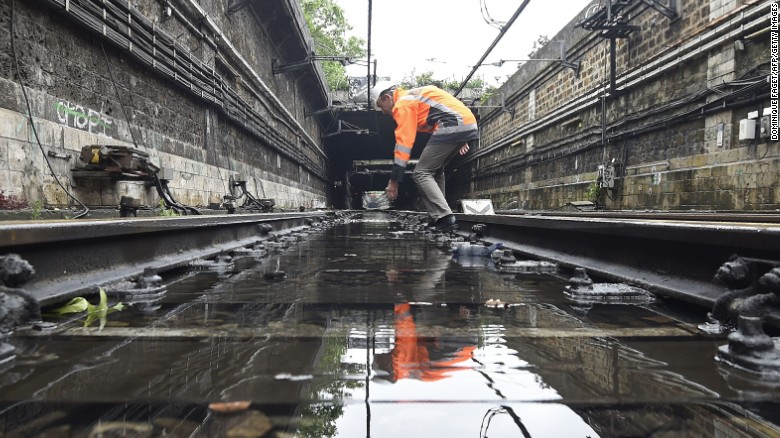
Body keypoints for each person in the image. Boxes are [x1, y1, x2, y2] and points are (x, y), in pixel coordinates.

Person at [371, 81, 479, 231]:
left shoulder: (402, 104)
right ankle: (437, 218)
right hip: (464, 122)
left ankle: (444, 217)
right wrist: (462, 135)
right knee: (435, 170)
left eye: (381, 107)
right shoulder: (414, 96)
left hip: (453, 124)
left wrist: (394, 182)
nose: (383, 112)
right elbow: (445, 104)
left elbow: (403, 145)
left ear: (386, 97)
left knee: (421, 173)